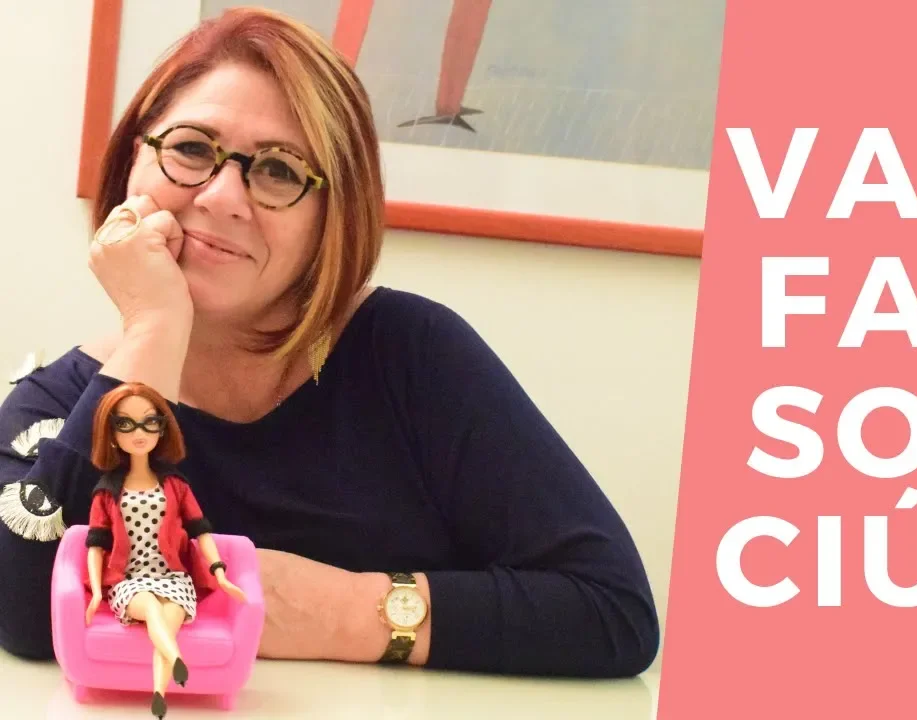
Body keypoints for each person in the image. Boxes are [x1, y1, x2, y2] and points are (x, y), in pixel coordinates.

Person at [0, 6, 659, 678]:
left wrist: (341, 611)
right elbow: (20, 612)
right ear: (131, 163)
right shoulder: (57, 402)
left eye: (280, 171)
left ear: (332, 218)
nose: (222, 196)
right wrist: (154, 331)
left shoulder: (414, 357)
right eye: (192, 148)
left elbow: (613, 612)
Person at [85, 382, 247, 718]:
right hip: (129, 580)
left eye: (149, 422)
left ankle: (159, 695)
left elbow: (201, 531)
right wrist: (98, 591)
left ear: (162, 428)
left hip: (173, 577)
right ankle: (176, 661)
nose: (139, 433)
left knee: (167, 624)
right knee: (151, 610)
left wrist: (219, 572)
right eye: (125, 424)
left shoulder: (176, 485)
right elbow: (96, 545)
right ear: (111, 433)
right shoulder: (106, 492)